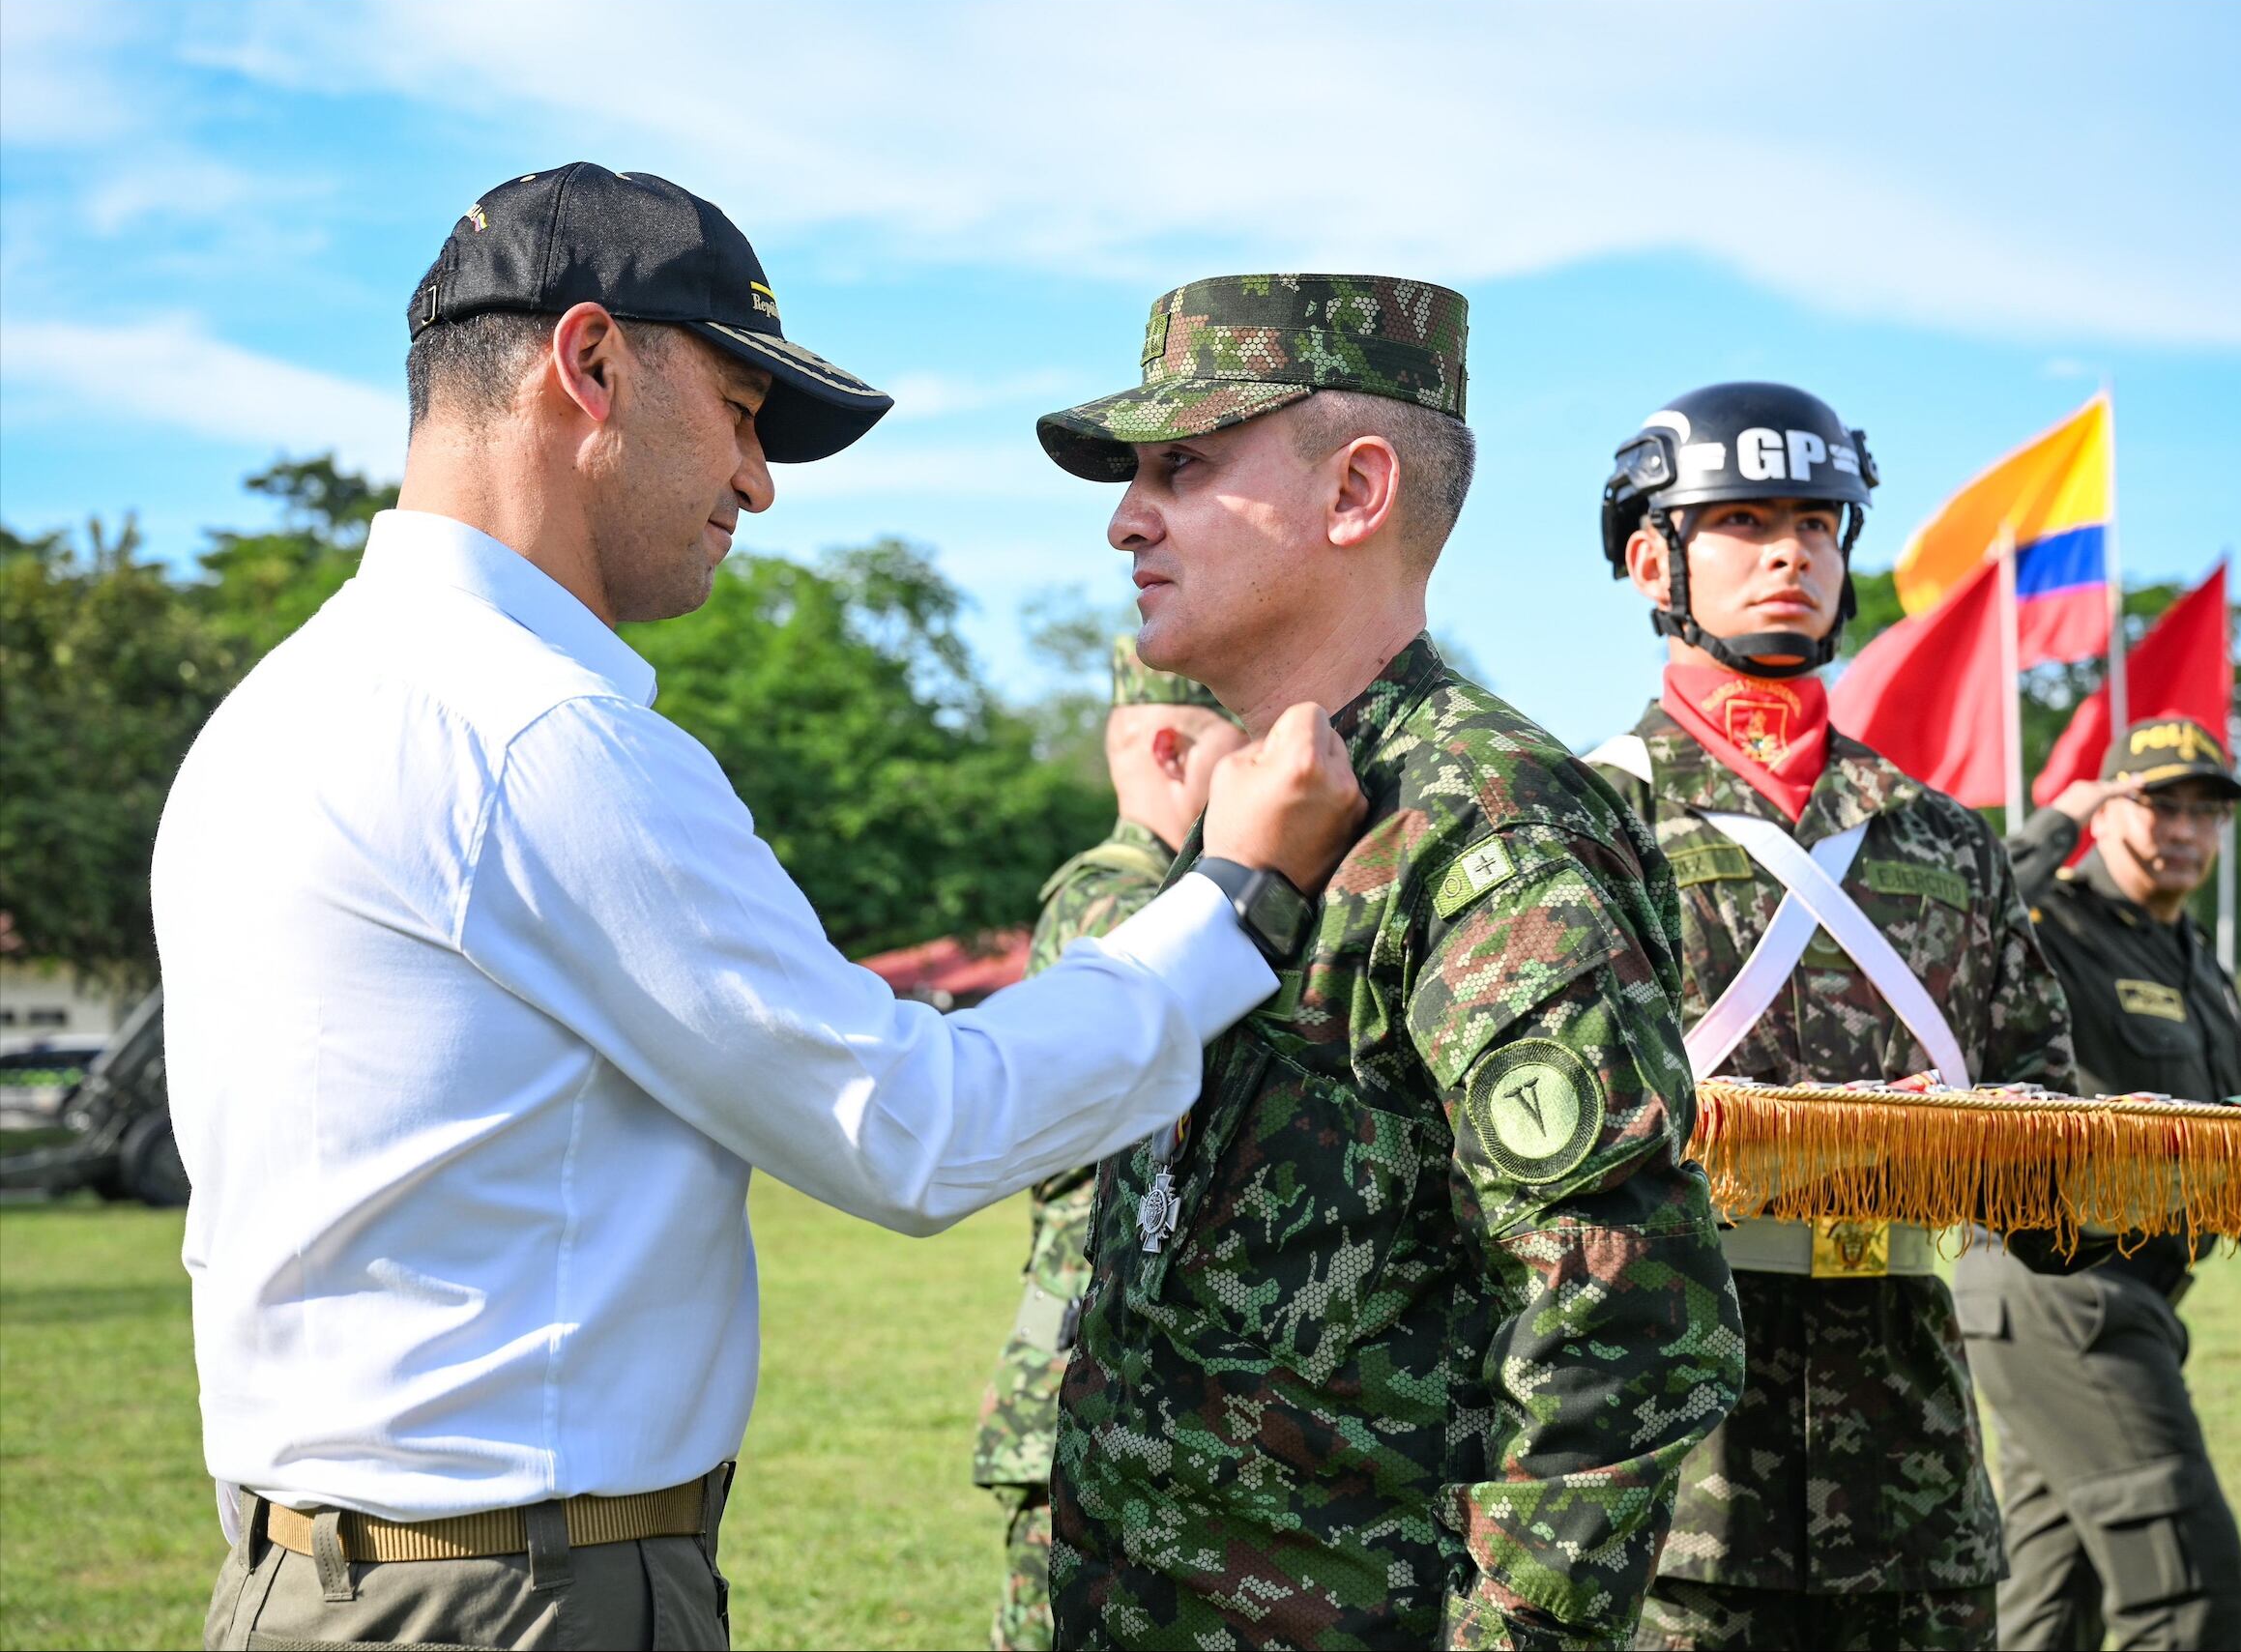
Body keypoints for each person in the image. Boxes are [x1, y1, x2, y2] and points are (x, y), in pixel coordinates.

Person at [154, 167, 1368, 1652]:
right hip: (507, 1593)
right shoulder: (538, 737)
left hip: (324, 1576)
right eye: (738, 409)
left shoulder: (280, 708)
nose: (758, 480)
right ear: (590, 365)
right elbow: (913, 1126)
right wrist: (1230, 898)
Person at [1036, 274, 1743, 1649]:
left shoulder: (1481, 818)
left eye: (1181, 468)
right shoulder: (1262, 808)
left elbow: (1621, 1306)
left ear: (1356, 494)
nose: (1127, 517)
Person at [1584, 383, 2085, 1652]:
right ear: (1655, 558)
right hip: (1655, 1488)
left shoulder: (1944, 838)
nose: (1789, 551)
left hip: (1910, 1493)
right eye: (1740, 521)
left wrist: (2015, 1146)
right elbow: (1496, 1152)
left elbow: (2058, 1131)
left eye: (1816, 520)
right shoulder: (1571, 825)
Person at [1960, 718, 2241, 1651]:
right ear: (2107, 811)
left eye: (2205, 812)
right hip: (2062, 1288)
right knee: (2187, 1592)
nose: (2184, 830)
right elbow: (1959, 910)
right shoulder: (2051, 926)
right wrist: (2051, 825)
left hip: (2123, 1297)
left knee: (2045, 1607)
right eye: (2157, 804)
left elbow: (2238, 1142)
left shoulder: (2199, 966)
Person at [971, 639, 1245, 1651]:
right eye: (1246, 746)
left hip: (1137, 1377)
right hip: (1095, 1381)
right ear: (1173, 749)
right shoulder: (1118, 904)